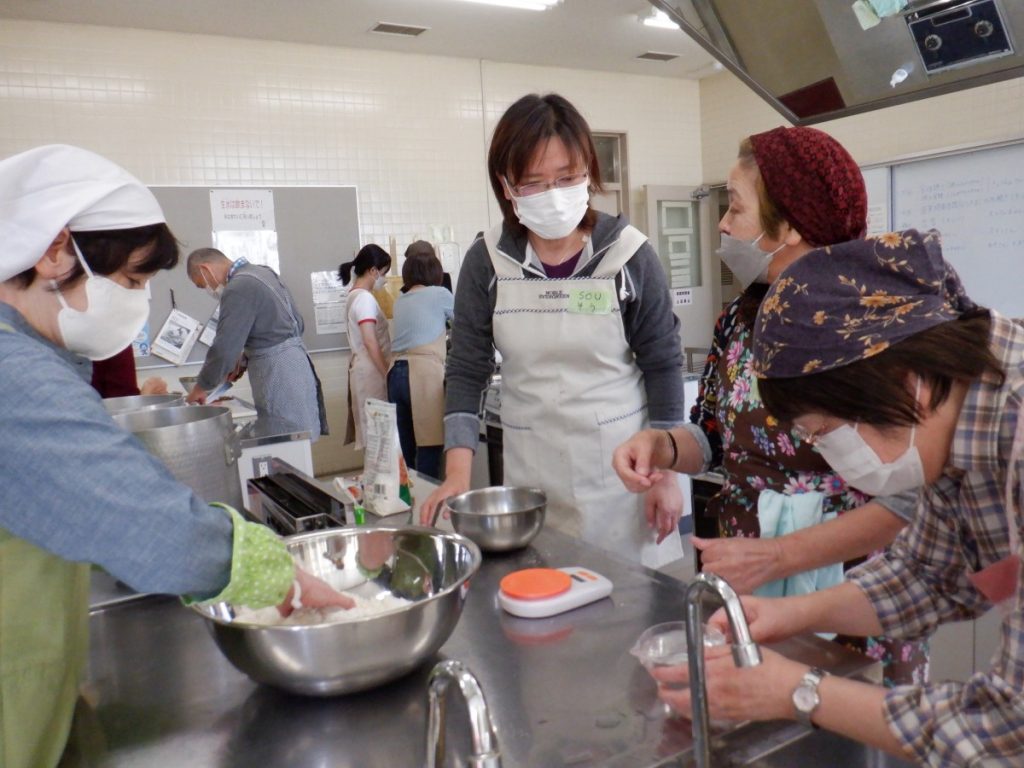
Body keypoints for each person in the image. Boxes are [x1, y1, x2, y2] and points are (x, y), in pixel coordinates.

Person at [0, 145, 351, 768]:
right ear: (55, 252)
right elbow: (130, 516)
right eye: (133, 282)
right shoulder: (13, 372)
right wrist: (272, 569)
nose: (136, 302)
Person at [656, 229, 1023, 766]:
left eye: (823, 432)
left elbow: (1009, 727)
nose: (828, 453)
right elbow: (927, 576)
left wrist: (798, 691)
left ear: (905, 385)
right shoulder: (955, 424)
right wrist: (786, 615)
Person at [612, 126, 926, 683]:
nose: (722, 224)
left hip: (855, 585)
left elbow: (910, 496)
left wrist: (785, 555)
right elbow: (711, 436)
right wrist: (660, 446)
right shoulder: (740, 320)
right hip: (750, 578)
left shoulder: (872, 326)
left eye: (735, 208)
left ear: (792, 225)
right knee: (760, 711)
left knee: (845, 711)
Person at [419, 93, 686, 567]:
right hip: (531, 478)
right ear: (506, 186)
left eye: (566, 178)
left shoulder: (628, 255)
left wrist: (666, 473)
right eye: (534, 183)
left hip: (626, 478)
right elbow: (466, 370)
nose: (554, 195)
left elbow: (663, 366)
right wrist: (457, 473)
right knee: (542, 592)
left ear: (589, 173)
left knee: (627, 602)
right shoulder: (488, 262)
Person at [186, 247, 327, 441]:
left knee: (286, 441)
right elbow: (281, 326)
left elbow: (224, 348)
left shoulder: (238, 287)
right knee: (299, 439)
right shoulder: (263, 273)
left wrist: (201, 387)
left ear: (205, 269)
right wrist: (245, 357)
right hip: (297, 363)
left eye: (202, 285)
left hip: (278, 372)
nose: (208, 290)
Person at [387, 240, 454, 480]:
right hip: (422, 374)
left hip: (395, 372)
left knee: (406, 445)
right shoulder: (440, 293)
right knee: (429, 441)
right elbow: (465, 325)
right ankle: (428, 495)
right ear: (435, 273)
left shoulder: (400, 299)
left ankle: (408, 494)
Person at [340, 243, 392, 449]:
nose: (384, 279)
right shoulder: (364, 299)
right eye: (384, 273)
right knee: (379, 438)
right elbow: (370, 341)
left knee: (373, 437)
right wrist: (387, 372)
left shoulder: (353, 295)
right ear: (373, 271)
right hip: (372, 372)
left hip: (362, 369)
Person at [91, 344, 168, 397]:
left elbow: (124, 396)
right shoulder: (117, 341)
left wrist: (146, 398)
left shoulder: (118, 341)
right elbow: (123, 400)